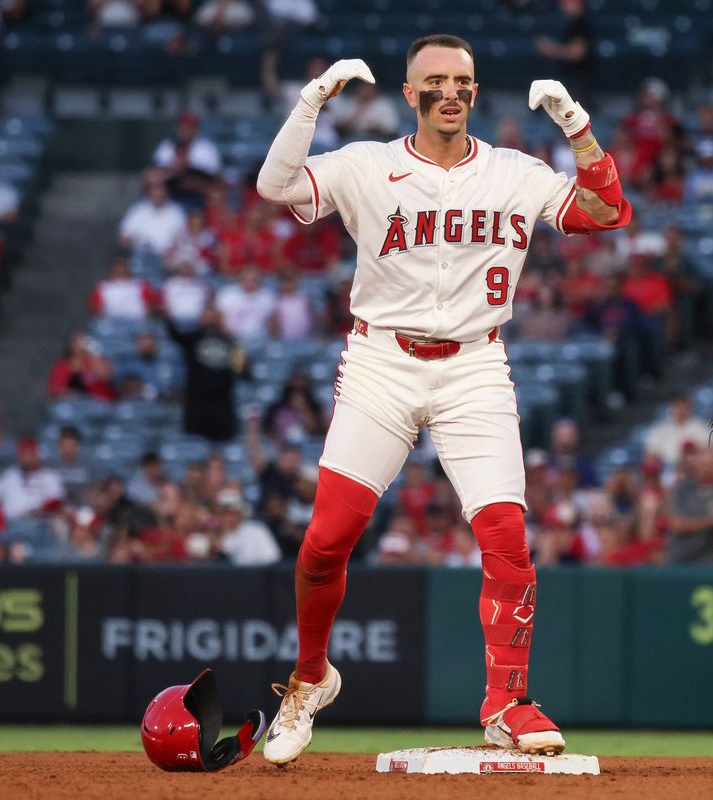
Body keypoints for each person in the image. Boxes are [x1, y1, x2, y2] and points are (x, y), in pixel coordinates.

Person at [254, 35, 631, 764]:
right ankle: (309, 677)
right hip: (380, 361)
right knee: (327, 540)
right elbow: (276, 185)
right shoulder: (369, 164)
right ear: (409, 93)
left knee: (507, 540)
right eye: (435, 81)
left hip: (475, 368)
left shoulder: (516, 172)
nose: (450, 91)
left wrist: (577, 127)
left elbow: (607, 213)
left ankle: (508, 702)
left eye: (462, 79)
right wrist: (310, 102)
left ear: (474, 89)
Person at [165, 306, 248, 441]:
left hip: (222, 404)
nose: (210, 321)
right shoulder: (193, 338)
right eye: (207, 317)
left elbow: (242, 369)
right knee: (193, 445)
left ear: (219, 319)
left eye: (213, 317)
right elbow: (175, 336)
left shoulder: (231, 342)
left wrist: (237, 347)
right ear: (201, 319)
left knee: (222, 445)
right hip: (197, 404)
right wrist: (168, 319)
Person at [0, 438, 65, 520]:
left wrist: (35, 512)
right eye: (22, 454)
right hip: (10, 524)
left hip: (37, 523)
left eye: (29, 454)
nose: (25, 458)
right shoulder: (10, 475)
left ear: (37, 455)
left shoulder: (49, 476)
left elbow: (56, 501)